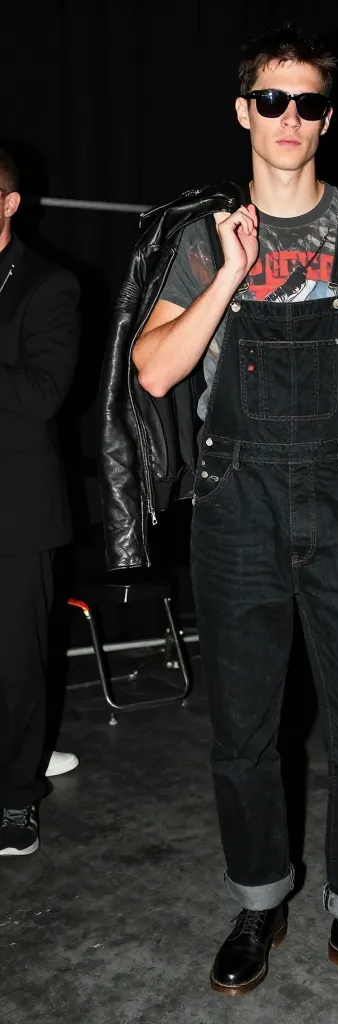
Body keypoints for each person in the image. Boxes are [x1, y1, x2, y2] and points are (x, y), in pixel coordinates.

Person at [132, 28, 338, 1004]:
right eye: (271, 100)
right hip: (237, 503)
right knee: (244, 730)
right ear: (243, 111)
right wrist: (230, 273)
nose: (289, 119)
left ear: (327, 118)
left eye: (307, 103)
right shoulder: (204, 238)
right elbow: (155, 370)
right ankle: (259, 900)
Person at [0, 149, 79, 858]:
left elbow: (41, 395)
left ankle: (16, 799)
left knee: (16, 667)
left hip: (16, 512)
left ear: (8, 204)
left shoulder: (49, 284)